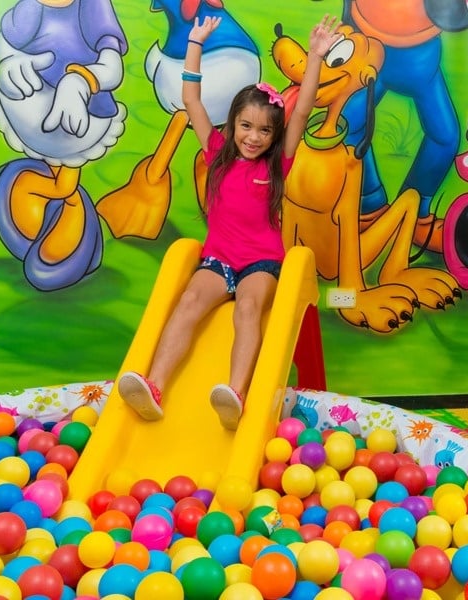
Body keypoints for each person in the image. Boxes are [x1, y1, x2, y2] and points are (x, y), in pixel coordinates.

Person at [117, 14, 342, 429]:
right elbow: (191, 100)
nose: (253, 137)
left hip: (262, 262)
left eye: (263, 131)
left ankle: (236, 394)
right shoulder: (216, 151)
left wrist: (314, 58)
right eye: (246, 126)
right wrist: (195, 44)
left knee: (250, 308)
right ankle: (155, 386)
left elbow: (304, 107)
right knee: (187, 303)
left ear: (274, 137)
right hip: (217, 260)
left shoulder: (278, 165)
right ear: (233, 123)